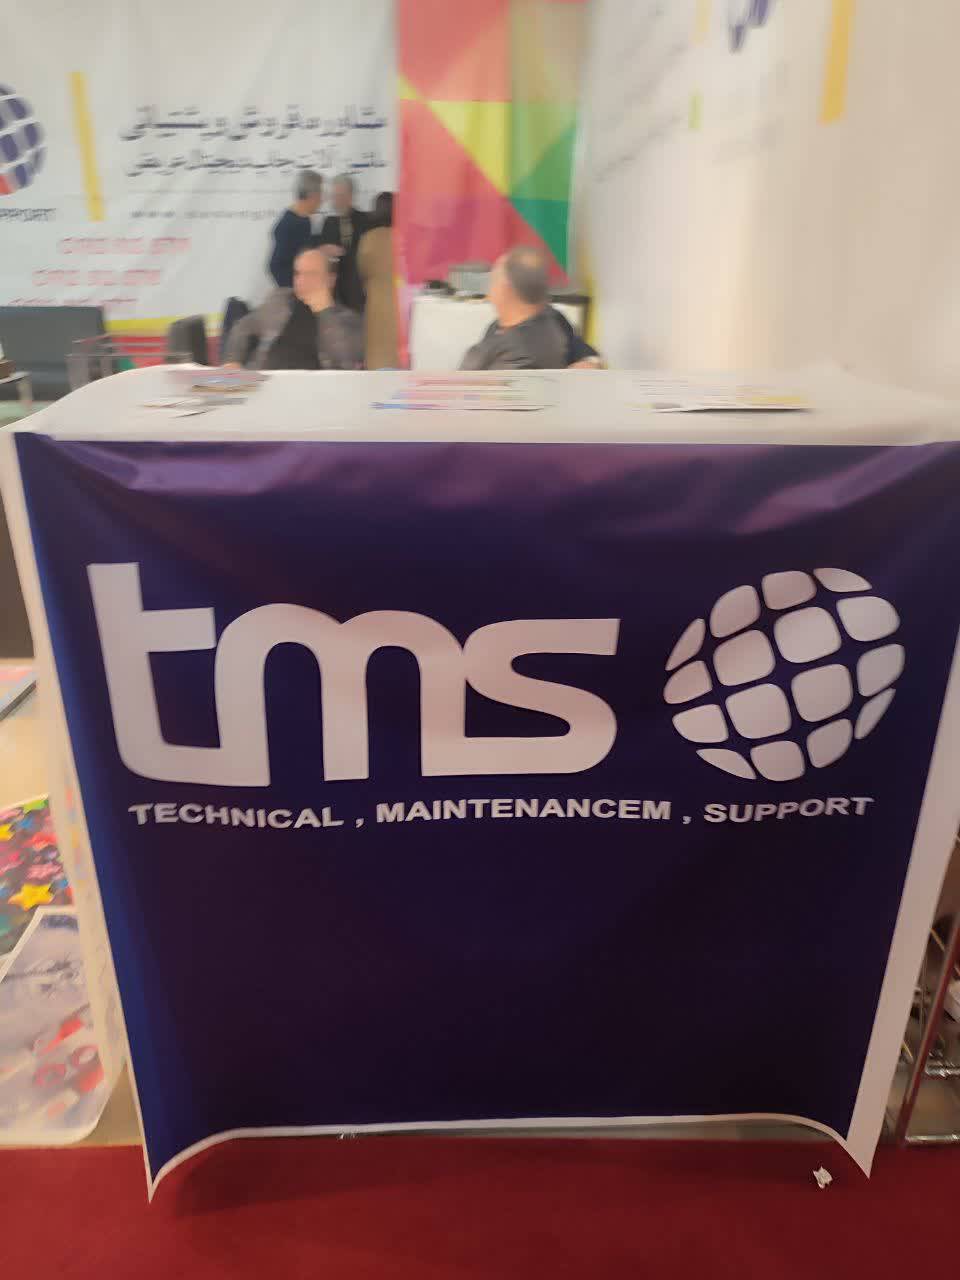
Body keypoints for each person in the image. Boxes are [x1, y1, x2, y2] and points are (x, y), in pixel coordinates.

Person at [459, 247, 603, 370]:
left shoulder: (518, 356)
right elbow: (584, 352)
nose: (489, 285)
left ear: (505, 289)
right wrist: (592, 361)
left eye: (493, 277)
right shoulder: (553, 318)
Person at [223, 248, 363, 371]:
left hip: (310, 388)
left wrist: (326, 312)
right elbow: (242, 327)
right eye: (298, 273)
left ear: (330, 279)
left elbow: (347, 361)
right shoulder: (280, 300)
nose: (301, 281)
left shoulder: (348, 319)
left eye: (311, 274)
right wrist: (232, 360)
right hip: (265, 379)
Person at [315, 174, 369, 312]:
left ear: (351, 196)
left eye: (340, 195)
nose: (337, 200)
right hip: (334, 294)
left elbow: (368, 254)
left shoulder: (365, 220)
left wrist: (342, 252)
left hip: (359, 292)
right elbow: (321, 253)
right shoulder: (329, 222)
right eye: (334, 196)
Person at [357, 192, 398, 369]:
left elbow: (362, 271)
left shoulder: (369, 239)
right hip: (403, 307)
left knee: (378, 357)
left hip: (376, 306)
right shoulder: (407, 238)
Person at [268, 171, 324, 289]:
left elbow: (303, 250)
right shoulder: (288, 225)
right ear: (312, 196)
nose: (322, 200)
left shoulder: (305, 219)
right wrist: (298, 288)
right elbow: (276, 267)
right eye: (320, 195)